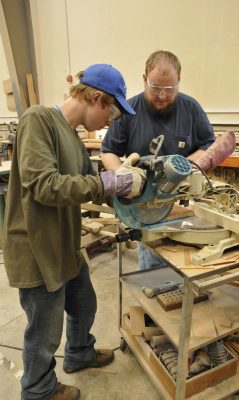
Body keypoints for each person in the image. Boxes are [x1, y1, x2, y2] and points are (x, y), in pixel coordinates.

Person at [3, 64, 146, 400]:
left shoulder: (74, 138)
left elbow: (92, 187)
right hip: (36, 247)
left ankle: (79, 353)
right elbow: (44, 186)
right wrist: (110, 181)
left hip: (65, 243)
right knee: (44, 328)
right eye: (112, 110)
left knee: (84, 304)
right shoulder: (38, 120)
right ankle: (38, 389)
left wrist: (125, 184)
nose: (112, 121)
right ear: (95, 97)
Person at [101, 50, 218, 270]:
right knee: (152, 258)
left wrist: (185, 166)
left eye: (169, 89)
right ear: (144, 79)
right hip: (144, 201)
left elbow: (209, 145)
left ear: (179, 82)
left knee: (187, 259)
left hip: (183, 198)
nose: (162, 96)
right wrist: (123, 176)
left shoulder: (191, 108)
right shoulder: (129, 110)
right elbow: (108, 151)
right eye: (155, 88)